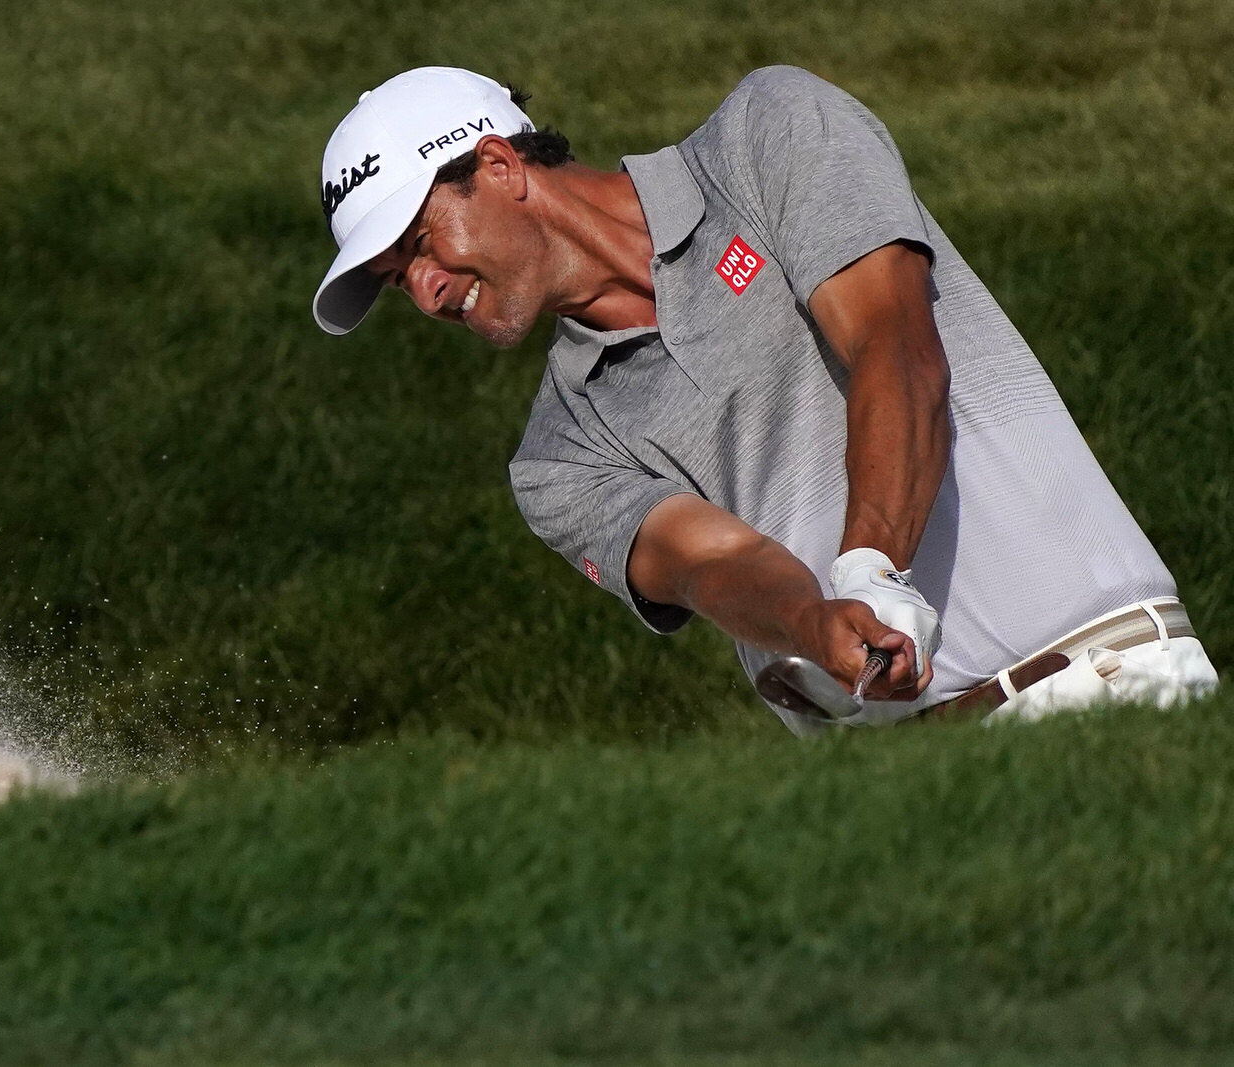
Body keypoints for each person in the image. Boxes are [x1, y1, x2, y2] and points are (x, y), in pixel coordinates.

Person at [309, 65, 1218, 732]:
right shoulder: (557, 455)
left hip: (1108, 688)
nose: (424, 290)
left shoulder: (767, 135)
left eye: (420, 244)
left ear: (501, 166)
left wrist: (868, 568)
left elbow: (894, 346)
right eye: (398, 281)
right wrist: (812, 619)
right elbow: (710, 564)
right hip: (909, 801)